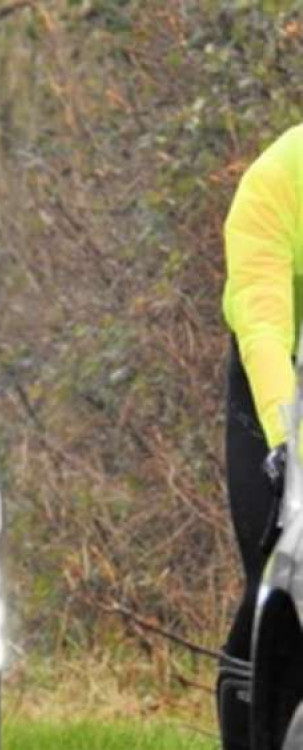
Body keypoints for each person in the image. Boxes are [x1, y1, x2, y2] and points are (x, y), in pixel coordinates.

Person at [219, 123, 303, 749]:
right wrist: (286, 441)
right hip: (275, 382)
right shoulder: (277, 178)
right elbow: (263, 324)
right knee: (277, 569)